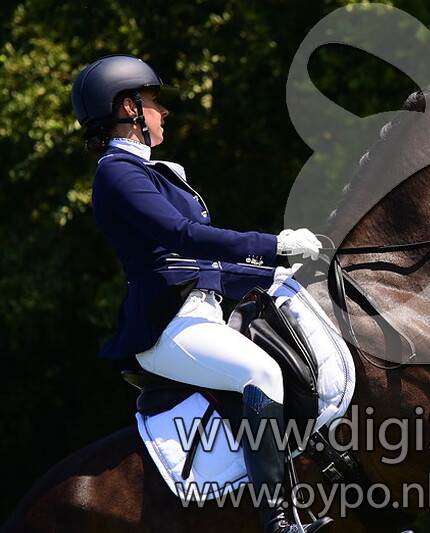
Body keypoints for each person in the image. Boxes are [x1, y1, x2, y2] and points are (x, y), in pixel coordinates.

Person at [71, 54, 333, 533]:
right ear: (129, 108)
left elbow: (207, 268)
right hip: (169, 327)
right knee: (261, 372)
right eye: (154, 102)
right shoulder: (117, 171)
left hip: (202, 315)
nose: (164, 111)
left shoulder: (153, 172)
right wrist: (273, 245)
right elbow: (183, 238)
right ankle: (277, 521)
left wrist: (279, 274)